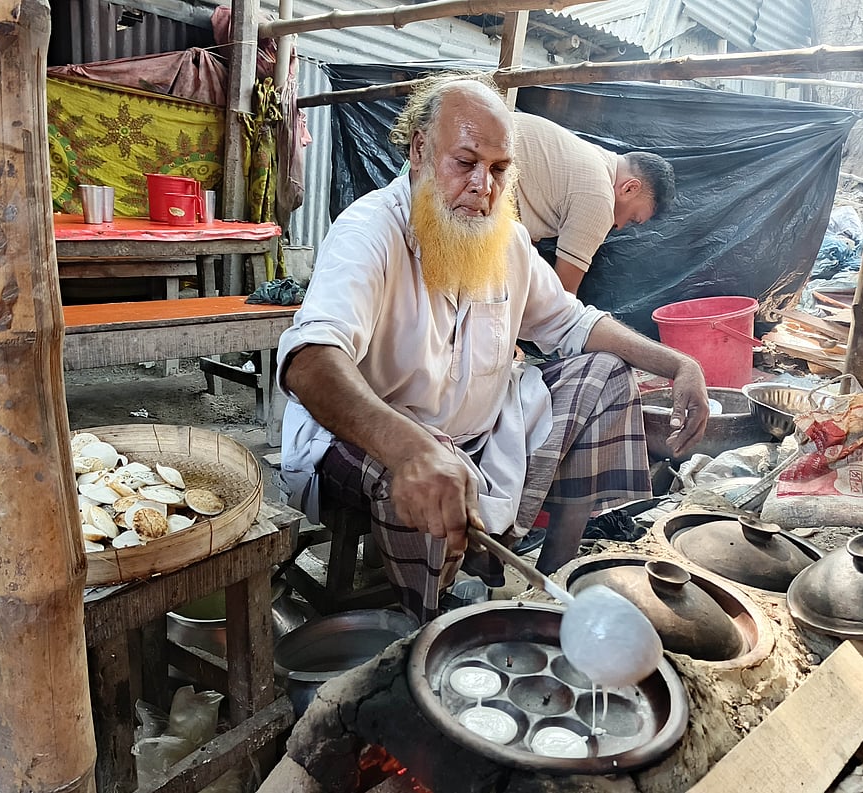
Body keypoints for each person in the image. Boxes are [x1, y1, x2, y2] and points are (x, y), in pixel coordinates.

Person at [276, 74, 708, 623]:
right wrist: (411, 449)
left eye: (500, 169)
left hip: (483, 433)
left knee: (606, 374)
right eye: (465, 162)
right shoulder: (369, 231)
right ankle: (426, 630)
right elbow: (310, 360)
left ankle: (549, 589)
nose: (483, 186)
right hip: (383, 433)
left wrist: (679, 363)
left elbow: (572, 321)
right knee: (425, 470)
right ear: (419, 151)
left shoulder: (505, 239)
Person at [512, 112, 675, 295]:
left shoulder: (591, 157)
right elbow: (561, 300)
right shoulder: (600, 197)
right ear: (630, 188)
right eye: (631, 218)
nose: (619, 227)